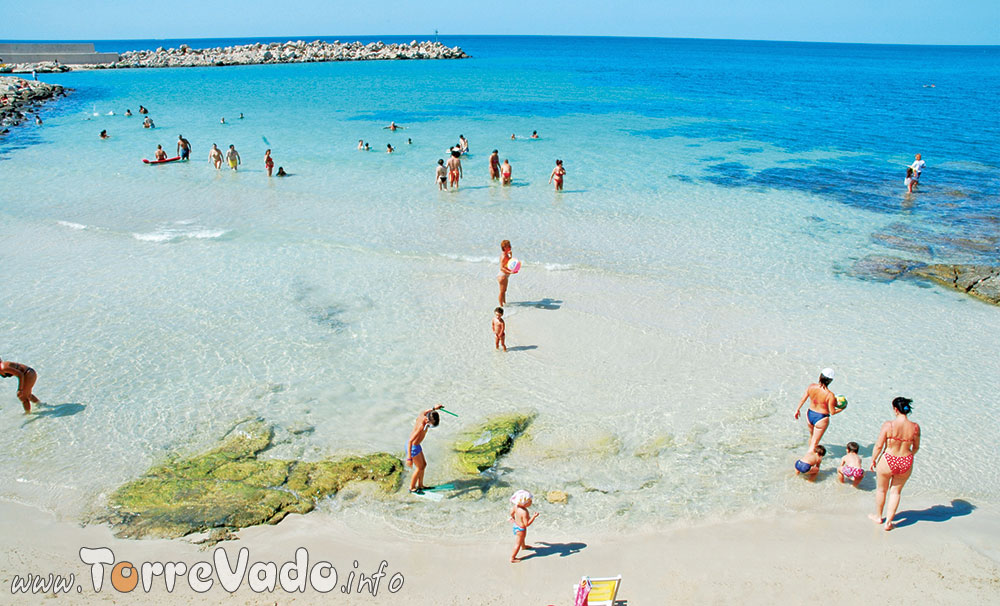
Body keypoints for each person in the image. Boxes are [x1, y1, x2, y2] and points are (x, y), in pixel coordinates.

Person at [869, 397, 920, 531]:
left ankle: (879, 517)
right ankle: (889, 523)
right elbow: (915, 447)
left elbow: (879, 446)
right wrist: (908, 456)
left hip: (889, 458)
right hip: (906, 460)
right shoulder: (915, 427)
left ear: (895, 409)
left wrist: (873, 459)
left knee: (881, 490)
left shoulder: (889, 425)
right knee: (895, 492)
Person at [793, 368, 843, 451]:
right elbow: (832, 412)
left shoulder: (811, 386)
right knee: (815, 443)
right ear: (830, 381)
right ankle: (807, 461)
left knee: (812, 438)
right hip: (821, 418)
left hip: (810, 414)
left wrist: (797, 409)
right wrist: (842, 409)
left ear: (820, 376)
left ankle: (809, 457)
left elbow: (803, 399)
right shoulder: (830, 395)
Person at [406, 404, 445, 493]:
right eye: (431, 425)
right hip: (413, 447)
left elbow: (425, 411)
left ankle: (420, 485)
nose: (431, 427)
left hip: (417, 446)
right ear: (428, 421)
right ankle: (411, 488)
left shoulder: (423, 415)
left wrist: (434, 408)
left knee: (423, 465)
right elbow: (410, 441)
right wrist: (409, 458)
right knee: (419, 468)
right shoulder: (420, 427)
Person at [509, 490, 539, 563]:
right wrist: (534, 517)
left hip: (516, 525)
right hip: (521, 529)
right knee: (517, 544)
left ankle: (524, 546)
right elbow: (526, 524)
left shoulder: (515, 507)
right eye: (530, 501)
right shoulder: (524, 512)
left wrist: (513, 518)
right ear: (525, 504)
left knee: (522, 538)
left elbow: (511, 513)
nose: (531, 502)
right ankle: (512, 558)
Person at [497, 240, 514, 306]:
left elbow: (508, 263)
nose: (510, 247)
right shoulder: (503, 256)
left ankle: (504, 303)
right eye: (508, 246)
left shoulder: (506, 254)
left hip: (505, 275)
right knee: (502, 291)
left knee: (504, 291)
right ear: (504, 247)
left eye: (510, 245)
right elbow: (501, 268)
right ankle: (501, 305)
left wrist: (510, 256)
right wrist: (510, 271)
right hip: (502, 276)